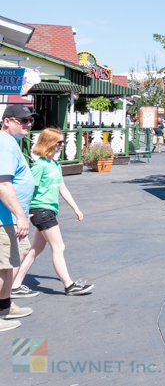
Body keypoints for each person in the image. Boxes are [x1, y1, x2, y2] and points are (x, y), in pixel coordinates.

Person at [11, 129, 93, 296]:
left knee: (36, 249)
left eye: (63, 142)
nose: (62, 145)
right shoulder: (40, 165)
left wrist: (75, 207)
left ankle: (15, 285)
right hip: (41, 210)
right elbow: (27, 188)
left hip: (48, 210)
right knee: (59, 247)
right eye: (59, 142)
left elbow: (62, 187)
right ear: (49, 143)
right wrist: (23, 213)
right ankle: (69, 286)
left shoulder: (55, 164)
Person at [0, 105, 37, 331]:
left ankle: (4, 306)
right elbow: (3, 185)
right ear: (7, 121)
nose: (28, 124)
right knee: (2, 267)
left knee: (13, 260)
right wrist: (21, 216)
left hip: (10, 218)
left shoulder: (10, 143)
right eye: (23, 121)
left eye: (30, 121)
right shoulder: (5, 145)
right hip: (4, 218)